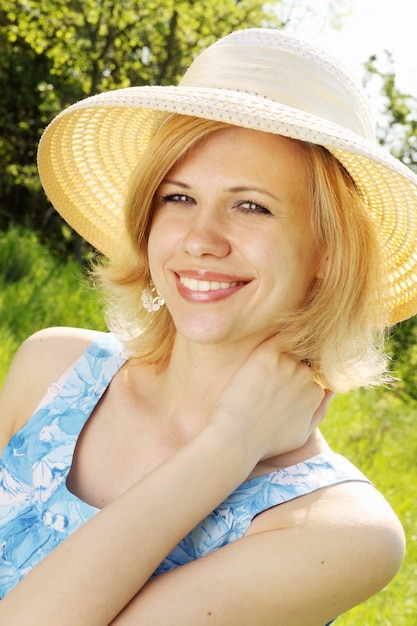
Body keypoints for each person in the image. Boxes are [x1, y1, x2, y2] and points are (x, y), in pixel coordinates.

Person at [0, 27, 415, 625]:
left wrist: (230, 447)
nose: (200, 239)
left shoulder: (338, 530)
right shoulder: (52, 370)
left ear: (327, 250)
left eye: (252, 206)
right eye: (178, 197)